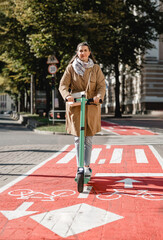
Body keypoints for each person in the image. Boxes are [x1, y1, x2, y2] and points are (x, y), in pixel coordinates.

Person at [59, 42, 106, 177]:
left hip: (91, 106)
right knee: (78, 138)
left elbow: (101, 86)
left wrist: (98, 96)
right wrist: (67, 96)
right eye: (80, 51)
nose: (83, 53)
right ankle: (79, 166)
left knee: (88, 138)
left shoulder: (96, 68)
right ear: (77, 53)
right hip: (76, 106)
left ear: (89, 52)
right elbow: (63, 85)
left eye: (85, 50)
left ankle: (86, 166)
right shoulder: (70, 68)